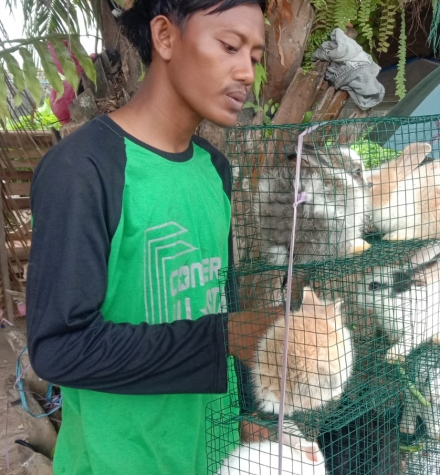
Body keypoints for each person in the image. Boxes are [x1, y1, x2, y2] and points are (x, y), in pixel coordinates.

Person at [25, 1, 267, 473]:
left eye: (255, 58)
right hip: (118, 460)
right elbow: (58, 348)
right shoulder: (84, 170)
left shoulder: (215, 171)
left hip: (206, 455)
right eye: (230, 46)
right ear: (166, 36)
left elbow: (220, 297)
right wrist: (221, 339)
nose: (246, 73)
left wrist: (247, 412)